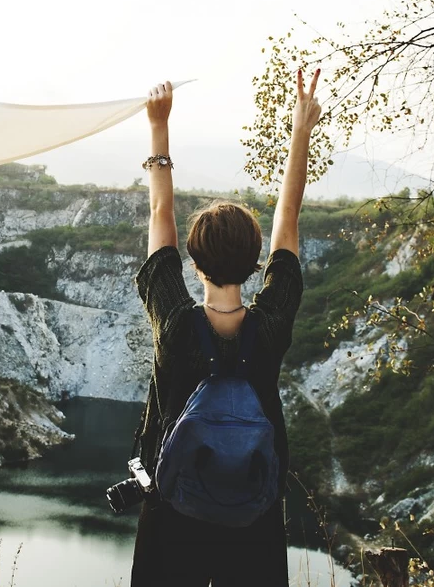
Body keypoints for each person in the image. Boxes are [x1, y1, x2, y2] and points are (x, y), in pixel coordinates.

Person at [130, 71, 323, 586]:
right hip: (253, 515)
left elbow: (160, 211)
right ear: (256, 261)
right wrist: (300, 133)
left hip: (172, 512)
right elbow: (289, 218)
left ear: (193, 262)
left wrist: (159, 126)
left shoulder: (174, 324)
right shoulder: (272, 325)